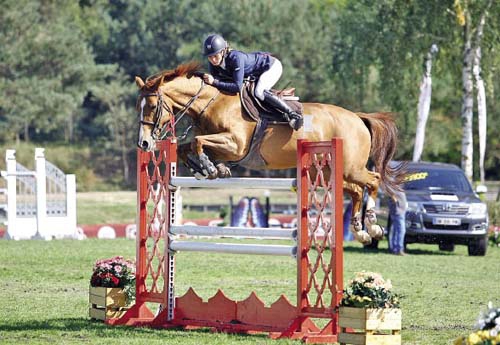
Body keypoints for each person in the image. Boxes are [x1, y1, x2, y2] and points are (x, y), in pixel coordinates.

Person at [201, 34, 303, 130]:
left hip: (271, 67)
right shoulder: (214, 64)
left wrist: (214, 82)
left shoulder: (235, 58)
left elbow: (237, 87)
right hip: (256, 74)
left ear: (223, 51)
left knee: (259, 92)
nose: (213, 60)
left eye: (216, 56)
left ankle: (293, 114)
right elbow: (218, 82)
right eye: (210, 57)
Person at [388, 189, 407, 255]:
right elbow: (391, 193)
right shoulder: (393, 185)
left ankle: (394, 248)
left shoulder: (397, 186)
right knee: (401, 230)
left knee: (395, 230)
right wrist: (396, 203)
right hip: (398, 211)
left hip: (399, 211)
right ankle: (399, 249)